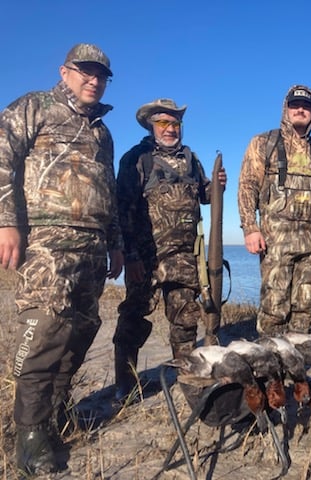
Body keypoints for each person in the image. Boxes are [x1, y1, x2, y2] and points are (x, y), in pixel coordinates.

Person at [0, 43, 123, 475]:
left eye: (102, 75)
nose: (94, 80)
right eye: (86, 71)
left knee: (82, 330)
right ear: (64, 71)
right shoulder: (35, 106)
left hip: (93, 246)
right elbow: (2, 156)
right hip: (47, 242)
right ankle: (29, 435)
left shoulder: (103, 134)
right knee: (46, 329)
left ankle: (54, 414)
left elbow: (108, 190)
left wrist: (117, 242)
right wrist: (6, 221)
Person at [112, 98, 226, 402]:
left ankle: (187, 377)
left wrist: (216, 186)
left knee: (186, 320)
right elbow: (122, 209)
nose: (170, 129)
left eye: (175, 123)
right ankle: (125, 383)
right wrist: (130, 254)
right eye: (164, 123)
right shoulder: (137, 159)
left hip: (185, 259)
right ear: (152, 125)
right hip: (146, 260)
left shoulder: (191, 159)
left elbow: (204, 196)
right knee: (134, 316)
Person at [238, 85, 311, 335]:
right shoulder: (264, 142)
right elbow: (247, 185)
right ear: (286, 109)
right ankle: (271, 368)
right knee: (274, 307)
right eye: (295, 105)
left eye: (306, 107)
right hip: (276, 240)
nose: (300, 110)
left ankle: (297, 366)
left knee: (305, 307)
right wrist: (250, 228)